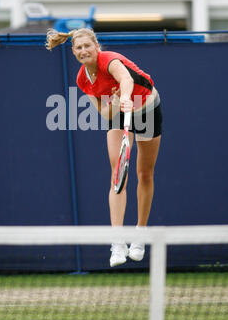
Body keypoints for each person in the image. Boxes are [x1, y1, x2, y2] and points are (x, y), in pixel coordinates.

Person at [46, 28, 162, 267]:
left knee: (145, 174)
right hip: (121, 112)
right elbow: (104, 112)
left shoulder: (108, 60)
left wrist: (127, 96)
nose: (83, 51)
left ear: (96, 47)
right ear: (74, 52)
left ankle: (140, 234)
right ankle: (118, 242)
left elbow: (127, 79)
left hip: (147, 107)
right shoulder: (82, 79)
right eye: (78, 48)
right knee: (117, 175)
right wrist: (119, 102)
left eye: (87, 46)